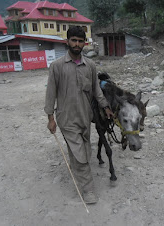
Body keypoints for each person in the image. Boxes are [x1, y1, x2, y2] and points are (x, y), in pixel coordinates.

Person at [44, 26, 114, 204]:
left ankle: (79, 168)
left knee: (84, 151)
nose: (76, 44)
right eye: (73, 40)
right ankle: (88, 190)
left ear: (85, 43)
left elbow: (96, 90)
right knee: (80, 155)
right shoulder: (57, 66)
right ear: (67, 41)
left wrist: (105, 106)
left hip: (85, 116)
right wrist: (50, 117)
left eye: (80, 41)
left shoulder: (90, 65)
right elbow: (50, 93)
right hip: (66, 118)